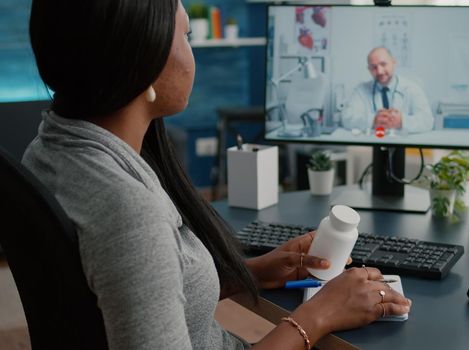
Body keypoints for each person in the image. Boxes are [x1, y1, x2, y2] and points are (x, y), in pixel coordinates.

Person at [24, 1, 411, 349]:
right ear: (145, 59)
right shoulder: (129, 211)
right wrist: (320, 316)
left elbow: (139, 290)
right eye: (187, 35)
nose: (193, 55)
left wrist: (252, 273)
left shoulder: (52, 147)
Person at [341, 47, 434, 134]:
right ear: (369, 69)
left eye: (383, 64)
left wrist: (402, 121)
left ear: (393, 62)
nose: (380, 71)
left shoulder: (412, 88)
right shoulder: (360, 90)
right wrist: (373, 120)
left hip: (403, 144)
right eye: (374, 67)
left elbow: (427, 121)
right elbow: (347, 118)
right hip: (372, 144)